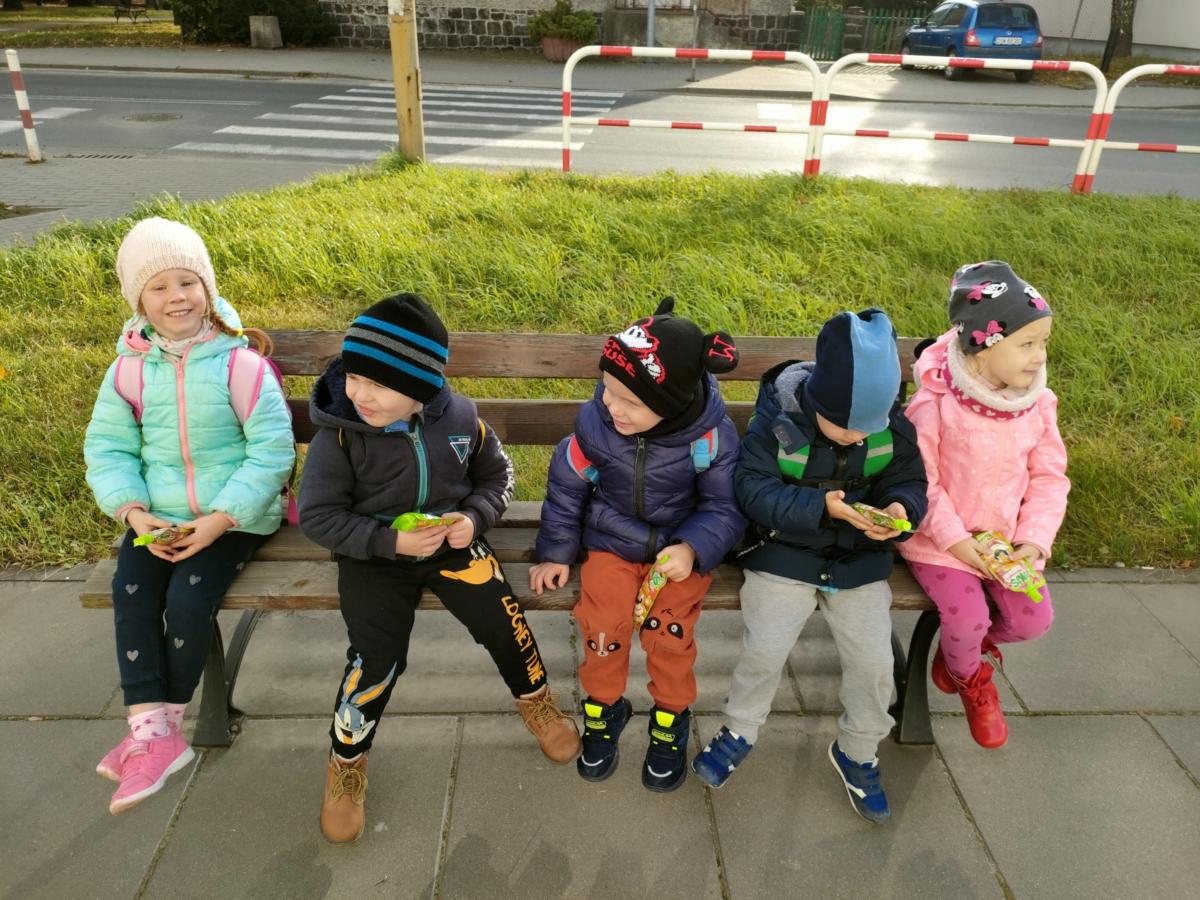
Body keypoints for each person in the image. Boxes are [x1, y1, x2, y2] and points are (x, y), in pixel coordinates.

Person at [299, 292, 579, 843]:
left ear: (421, 388)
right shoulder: (340, 435)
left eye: (378, 385)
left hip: (451, 543)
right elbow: (318, 516)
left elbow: (497, 477)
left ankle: (538, 704)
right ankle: (346, 761)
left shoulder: (461, 419)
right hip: (373, 555)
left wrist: (473, 520)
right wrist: (388, 542)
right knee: (376, 658)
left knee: (505, 621)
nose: (360, 394)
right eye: (353, 377)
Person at [84, 217, 295, 815]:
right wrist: (134, 513)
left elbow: (272, 452)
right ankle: (148, 728)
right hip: (157, 520)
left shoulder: (240, 365)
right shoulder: (127, 370)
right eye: (158, 287)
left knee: (187, 598)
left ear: (206, 287)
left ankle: (163, 732)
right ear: (138, 300)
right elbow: (109, 449)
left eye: (187, 282)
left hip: (236, 518)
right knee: (131, 590)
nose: (176, 297)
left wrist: (222, 519)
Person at [692, 308, 928, 825]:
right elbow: (753, 491)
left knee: (874, 664)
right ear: (817, 401)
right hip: (783, 554)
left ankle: (858, 749)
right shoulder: (779, 424)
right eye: (844, 425)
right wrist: (821, 507)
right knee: (765, 647)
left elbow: (910, 482)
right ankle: (740, 728)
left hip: (858, 562)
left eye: (867, 428)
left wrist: (900, 511)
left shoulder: (891, 429)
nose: (855, 436)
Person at [530, 297, 746, 792]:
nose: (611, 406)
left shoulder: (710, 439)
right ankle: (604, 707)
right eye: (607, 389)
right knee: (602, 627)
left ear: (670, 406)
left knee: (668, 633)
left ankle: (671, 717)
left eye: (628, 401)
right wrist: (555, 552)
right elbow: (566, 487)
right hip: (611, 542)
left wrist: (692, 548)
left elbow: (725, 507)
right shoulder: (596, 424)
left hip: (678, 553)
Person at [899, 261, 1066, 749]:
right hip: (940, 542)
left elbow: (1049, 478)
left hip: (1005, 545)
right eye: (1026, 344)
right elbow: (920, 481)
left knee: (1033, 620)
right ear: (984, 346)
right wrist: (955, 540)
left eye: (1044, 342)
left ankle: (960, 656)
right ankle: (972, 678)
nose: (1039, 356)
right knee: (967, 617)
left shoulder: (1038, 404)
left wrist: (1034, 541)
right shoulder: (935, 403)